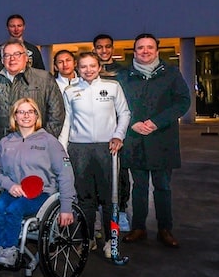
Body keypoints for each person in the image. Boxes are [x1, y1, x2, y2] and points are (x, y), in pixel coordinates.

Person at [117, 33, 191, 248]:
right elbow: (117, 104)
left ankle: (165, 229)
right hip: (135, 139)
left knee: (163, 187)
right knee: (139, 187)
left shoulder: (171, 73)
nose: (145, 51)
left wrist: (157, 122)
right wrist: (132, 123)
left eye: (149, 47)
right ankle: (138, 227)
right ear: (134, 52)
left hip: (162, 138)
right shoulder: (124, 76)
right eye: (141, 47)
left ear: (157, 51)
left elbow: (183, 102)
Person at [0, 98, 75, 266]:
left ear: (36, 116)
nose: (26, 116)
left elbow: (65, 173)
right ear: (14, 117)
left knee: (14, 209)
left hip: (42, 195)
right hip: (13, 191)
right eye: (21, 112)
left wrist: (66, 207)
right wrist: (10, 185)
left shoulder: (49, 142)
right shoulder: (5, 142)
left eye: (30, 112)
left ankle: (10, 249)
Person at [59, 51, 130, 257]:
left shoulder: (113, 87)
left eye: (92, 66)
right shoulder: (70, 91)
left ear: (99, 67)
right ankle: (88, 238)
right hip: (79, 149)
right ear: (78, 69)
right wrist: (62, 149)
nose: (88, 70)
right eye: (83, 66)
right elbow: (67, 121)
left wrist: (118, 136)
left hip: (107, 149)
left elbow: (124, 113)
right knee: (84, 198)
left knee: (109, 198)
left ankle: (109, 241)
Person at [0, 38, 65, 142]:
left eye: (17, 54)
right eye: (7, 55)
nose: (12, 59)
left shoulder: (44, 79)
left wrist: (44, 141)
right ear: (2, 60)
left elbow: (56, 114)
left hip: (37, 142)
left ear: (26, 57)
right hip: (4, 144)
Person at [93, 33, 130, 232]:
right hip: (96, 130)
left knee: (120, 172)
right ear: (94, 49)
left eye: (107, 46)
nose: (104, 50)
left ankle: (121, 211)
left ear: (112, 49)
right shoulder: (89, 70)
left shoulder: (123, 73)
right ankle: (99, 212)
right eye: (99, 47)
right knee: (98, 173)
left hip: (118, 131)